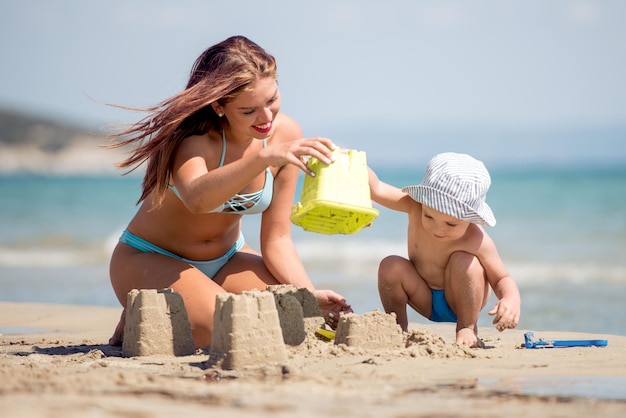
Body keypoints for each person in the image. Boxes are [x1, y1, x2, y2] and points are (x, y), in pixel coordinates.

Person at [106, 35, 352, 349]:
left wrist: (307, 295)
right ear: (219, 105)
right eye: (249, 111)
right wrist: (261, 159)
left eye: (272, 100)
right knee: (236, 329)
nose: (266, 118)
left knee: (294, 322)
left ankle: (193, 302)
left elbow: (277, 238)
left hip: (229, 258)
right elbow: (197, 198)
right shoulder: (196, 142)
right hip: (151, 258)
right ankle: (142, 314)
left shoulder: (287, 136)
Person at [368, 152, 521, 348]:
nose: (438, 229)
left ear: (470, 218)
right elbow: (377, 188)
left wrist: (511, 298)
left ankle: (466, 327)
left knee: (464, 261)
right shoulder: (415, 207)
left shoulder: (476, 238)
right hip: (423, 295)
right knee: (390, 265)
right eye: (429, 217)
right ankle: (397, 328)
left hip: (462, 299)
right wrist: (351, 163)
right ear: (423, 203)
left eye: (451, 224)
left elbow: (501, 278)